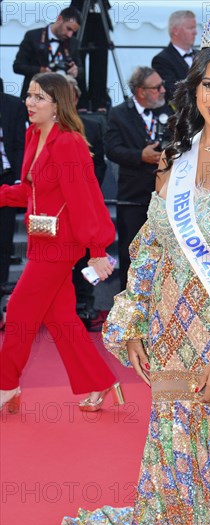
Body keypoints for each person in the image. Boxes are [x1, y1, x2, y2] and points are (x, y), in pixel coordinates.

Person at [55, 13, 210, 525]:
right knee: (172, 450)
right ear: (194, 86)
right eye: (209, 84)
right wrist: (132, 319)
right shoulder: (173, 158)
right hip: (165, 329)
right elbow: (152, 245)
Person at [0, 72, 123, 414]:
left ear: (58, 105)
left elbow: (85, 199)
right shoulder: (33, 135)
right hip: (40, 239)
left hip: (60, 245)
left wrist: (97, 249)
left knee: (20, 313)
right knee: (61, 320)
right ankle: (100, 382)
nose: (29, 102)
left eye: (39, 97)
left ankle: (6, 386)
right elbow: (30, 190)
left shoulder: (68, 142)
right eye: (29, 95)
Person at [104, 66, 171, 291]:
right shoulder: (119, 113)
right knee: (131, 253)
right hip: (132, 198)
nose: (163, 90)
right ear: (141, 91)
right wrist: (140, 156)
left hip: (165, 197)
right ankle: (129, 307)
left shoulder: (170, 113)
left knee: (163, 254)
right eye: (157, 87)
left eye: (162, 85)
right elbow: (112, 149)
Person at [64, 74, 108, 328]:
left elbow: (99, 163)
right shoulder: (47, 126)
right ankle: (61, 306)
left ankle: (85, 303)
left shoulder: (92, 125)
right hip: (58, 208)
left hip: (86, 204)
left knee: (88, 256)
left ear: (77, 98)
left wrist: (88, 190)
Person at [13, 7, 83, 100]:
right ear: (59, 19)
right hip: (34, 96)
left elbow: (81, 70)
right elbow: (18, 66)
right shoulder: (33, 36)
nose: (69, 35)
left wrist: (76, 70)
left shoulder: (73, 43)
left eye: (73, 32)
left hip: (61, 99)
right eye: (68, 29)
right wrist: (41, 70)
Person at [0, 79, 28, 291]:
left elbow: (20, 145)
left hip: (7, 178)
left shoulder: (13, 105)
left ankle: (1, 285)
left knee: (3, 238)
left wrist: (20, 178)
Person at [69, 0, 112, 112]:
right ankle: (80, 100)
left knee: (100, 60)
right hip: (79, 11)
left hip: (99, 10)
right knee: (78, 58)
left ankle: (99, 100)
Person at [152, 10, 197, 105]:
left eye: (195, 28)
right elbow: (172, 92)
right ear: (175, 31)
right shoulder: (162, 60)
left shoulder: (202, 55)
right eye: (190, 28)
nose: (195, 32)